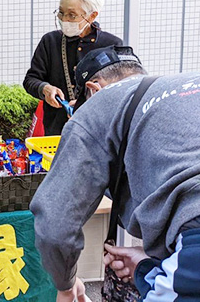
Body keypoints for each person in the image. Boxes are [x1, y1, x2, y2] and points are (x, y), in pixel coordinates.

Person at [30, 45, 200, 301]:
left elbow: (55, 225)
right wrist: (146, 267)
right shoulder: (187, 83)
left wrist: (66, 285)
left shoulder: (98, 105)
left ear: (93, 89)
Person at [23, 0, 122, 136]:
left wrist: (89, 104)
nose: (64, 19)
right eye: (61, 13)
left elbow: (120, 93)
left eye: (72, 15)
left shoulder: (112, 45)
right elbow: (31, 79)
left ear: (92, 15)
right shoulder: (50, 41)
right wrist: (44, 88)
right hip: (57, 131)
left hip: (98, 133)